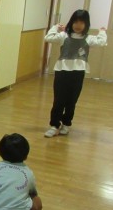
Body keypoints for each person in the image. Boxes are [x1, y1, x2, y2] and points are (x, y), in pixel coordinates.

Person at [43, 9, 107, 138]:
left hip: (78, 73)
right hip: (62, 72)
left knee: (71, 100)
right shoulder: (64, 36)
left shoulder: (88, 38)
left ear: (86, 24)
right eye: (76, 22)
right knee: (58, 100)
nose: (78, 25)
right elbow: (48, 38)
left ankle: (66, 124)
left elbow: (101, 42)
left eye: (82, 23)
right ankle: (54, 125)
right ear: (71, 22)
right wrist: (55, 27)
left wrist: (102, 32)